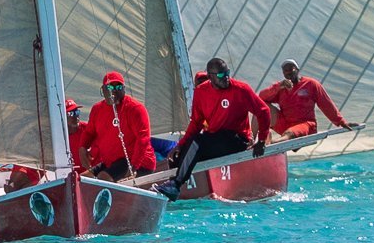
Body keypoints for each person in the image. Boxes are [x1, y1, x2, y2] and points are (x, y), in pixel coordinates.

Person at [154, 57, 270, 201]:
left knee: (198, 142)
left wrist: (262, 140)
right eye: (221, 75)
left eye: (227, 72)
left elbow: (263, 111)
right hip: (216, 138)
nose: (226, 77)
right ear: (210, 77)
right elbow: (196, 123)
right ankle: (172, 189)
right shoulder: (201, 92)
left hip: (238, 139)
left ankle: (176, 185)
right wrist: (181, 145)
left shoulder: (241, 89)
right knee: (180, 155)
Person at [81, 72, 155, 180]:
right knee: (83, 179)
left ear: (124, 89)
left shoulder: (135, 109)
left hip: (139, 163)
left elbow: (143, 139)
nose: (114, 90)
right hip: (112, 162)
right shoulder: (97, 110)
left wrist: (133, 167)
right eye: (110, 86)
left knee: (103, 177)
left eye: (119, 87)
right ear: (103, 89)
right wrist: (82, 148)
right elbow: (89, 132)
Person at [258, 59, 354, 139]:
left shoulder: (311, 84)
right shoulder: (280, 87)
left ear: (297, 70)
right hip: (286, 124)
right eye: (285, 70)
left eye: (291, 69)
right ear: (283, 74)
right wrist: (278, 86)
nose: (289, 72)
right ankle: (251, 141)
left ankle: (273, 143)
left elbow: (326, 104)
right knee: (260, 107)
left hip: (306, 125)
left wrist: (341, 122)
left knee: (289, 134)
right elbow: (260, 97)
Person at [66, 98, 92, 172]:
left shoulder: (88, 129)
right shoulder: (57, 135)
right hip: (67, 176)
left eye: (76, 112)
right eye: (71, 113)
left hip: (88, 175)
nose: (75, 116)